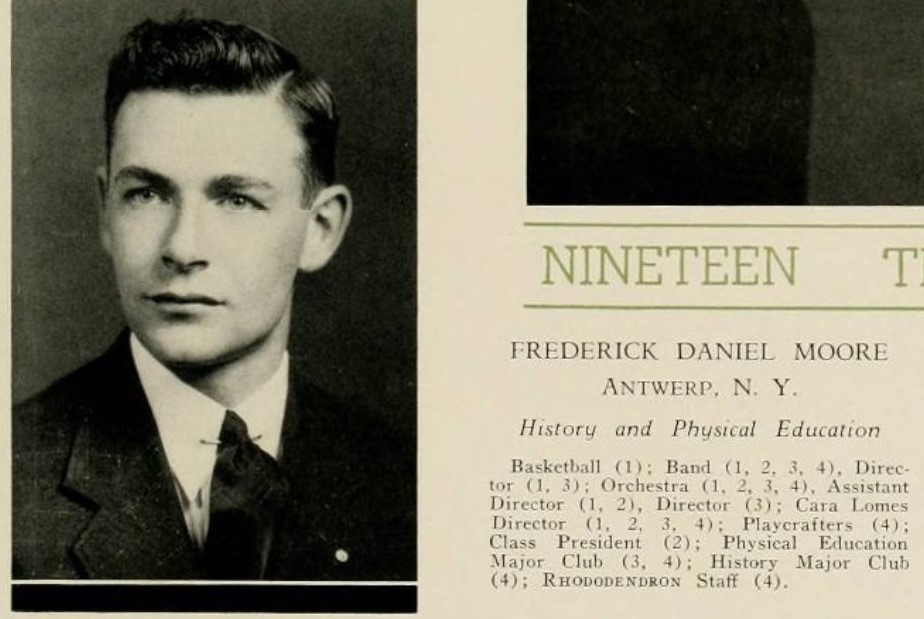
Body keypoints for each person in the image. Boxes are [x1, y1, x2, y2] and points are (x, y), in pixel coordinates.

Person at [12, 16, 415, 581]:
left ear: (320, 228)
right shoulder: (14, 479)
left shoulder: (408, 481)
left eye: (236, 200)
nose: (182, 247)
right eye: (146, 194)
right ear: (105, 210)